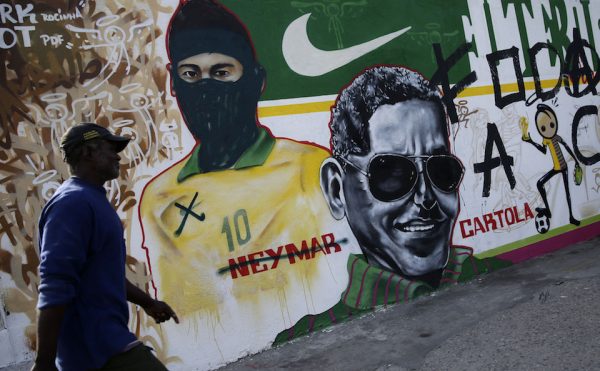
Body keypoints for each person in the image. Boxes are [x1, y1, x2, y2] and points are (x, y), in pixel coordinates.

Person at [138, 0, 350, 365]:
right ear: (173, 82)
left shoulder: (310, 169)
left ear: (256, 79)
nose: (204, 89)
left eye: (221, 72)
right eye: (190, 75)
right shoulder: (158, 200)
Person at [275, 66, 511, 343]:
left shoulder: (501, 277)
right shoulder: (307, 340)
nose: (426, 198)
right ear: (336, 188)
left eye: (442, 171)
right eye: (392, 174)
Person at [34, 123, 178, 371]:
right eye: (110, 148)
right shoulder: (72, 203)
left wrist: (148, 303)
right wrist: (43, 363)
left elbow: (102, 275)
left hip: (105, 347)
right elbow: (55, 284)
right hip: (98, 350)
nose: (117, 155)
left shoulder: (89, 197)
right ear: (89, 152)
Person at [520, 104, 582, 228]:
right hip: (556, 168)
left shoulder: (557, 137)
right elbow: (543, 150)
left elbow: (567, 148)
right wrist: (531, 141)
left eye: (551, 125)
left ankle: (571, 217)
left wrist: (576, 161)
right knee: (539, 183)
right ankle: (548, 210)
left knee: (567, 192)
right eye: (543, 127)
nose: (548, 129)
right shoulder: (546, 140)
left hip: (563, 167)